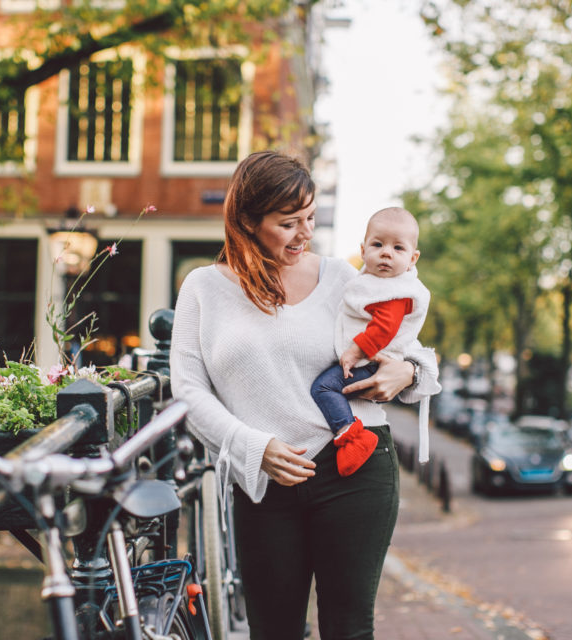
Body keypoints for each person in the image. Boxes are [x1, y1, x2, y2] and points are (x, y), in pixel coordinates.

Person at [170, 150, 441, 640]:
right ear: (248, 221)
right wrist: (253, 448)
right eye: (288, 222)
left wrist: (408, 371)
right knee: (273, 630)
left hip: (356, 472)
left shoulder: (343, 278)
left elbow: (412, 348)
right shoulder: (204, 288)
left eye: (311, 218)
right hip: (265, 480)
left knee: (348, 628)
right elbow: (187, 388)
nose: (305, 233)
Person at [310, 206, 432, 476]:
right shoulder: (368, 282)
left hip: (373, 363)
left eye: (398, 248)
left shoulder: (396, 291)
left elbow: (385, 329)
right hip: (367, 360)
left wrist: (355, 350)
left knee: (324, 388)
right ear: (363, 251)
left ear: (413, 258)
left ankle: (352, 436)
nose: (386, 252)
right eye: (378, 244)